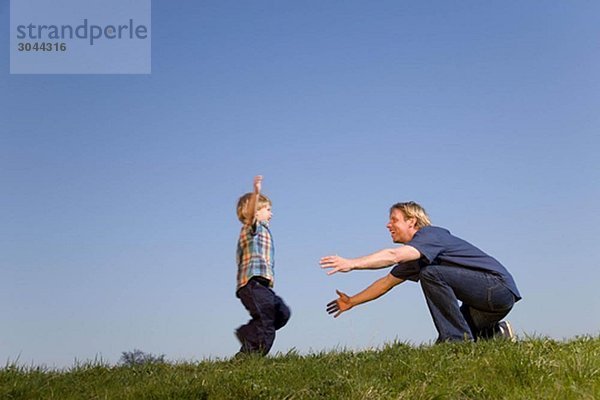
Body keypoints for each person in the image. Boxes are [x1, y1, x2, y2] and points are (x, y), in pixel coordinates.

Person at [321, 201, 521, 343]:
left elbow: (392, 255)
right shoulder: (417, 256)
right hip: (486, 305)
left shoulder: (430, 236)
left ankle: (458, 342)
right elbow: (385, 283)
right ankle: (494, 333)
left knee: (431, 275)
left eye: (394, 220)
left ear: (412, 221)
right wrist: (352, 301)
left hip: (496, 288)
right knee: (443, 344)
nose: (388, 225)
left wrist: (351, 263)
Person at [234, 175, 291, 356]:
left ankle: (247, 334)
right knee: (267, 325)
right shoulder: (252, 228)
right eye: (267, 209)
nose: (271, 213)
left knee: (282, 313)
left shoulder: (264, 231)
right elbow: (250, 215)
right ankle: (253, 357)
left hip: (262, 286)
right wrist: (257, 192)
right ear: (255, 212)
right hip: (252, 284)